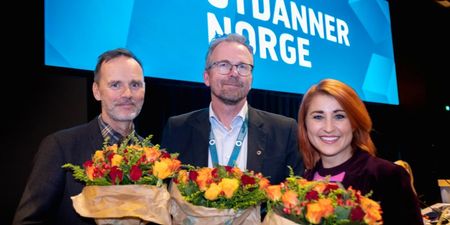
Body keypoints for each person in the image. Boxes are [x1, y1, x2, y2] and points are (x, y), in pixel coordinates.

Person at [13, 48, 146, 225]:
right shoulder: (61, 147)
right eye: (115, 85)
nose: (127, 94)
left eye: (135, 84)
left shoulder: (152, 155)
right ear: (97, 91)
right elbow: (27, 221)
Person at [161, 33, 303, 185]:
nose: (234, 73)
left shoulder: (284, 131)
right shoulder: (177, 129)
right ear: (207, 77)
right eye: (224, 65)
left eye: (242, 67)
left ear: (251, 79)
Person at [297, 78, 423, 225]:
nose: (329, 127)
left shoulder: (386, 175)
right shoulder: (304, 182)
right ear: (305, 124)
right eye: (318, 117)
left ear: (355, 123)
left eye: (339, 116)